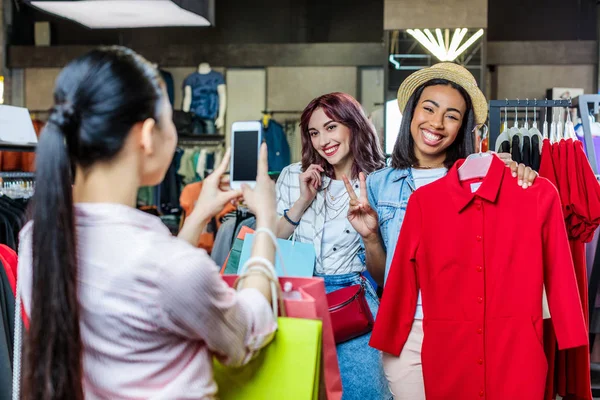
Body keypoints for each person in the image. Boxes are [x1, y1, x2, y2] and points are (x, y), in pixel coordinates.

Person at [17, 46, 279, 399]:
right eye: (171, 119)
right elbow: (244, 334)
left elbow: (146, 283)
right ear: (146, 135)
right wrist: (265, 219)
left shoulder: (37, 239)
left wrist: (199, 213)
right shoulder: (172, 267)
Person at [344, 63, 538, 399]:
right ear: (412, 113)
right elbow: (384, 277)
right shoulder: (378, 185)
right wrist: (371, 235)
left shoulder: (484, 178)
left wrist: (522, 176)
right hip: (409, 331)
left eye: (451, 115)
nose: (436, 123)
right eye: (429, 109)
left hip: (471, 329)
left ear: (462, 126)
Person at [276, 92, 390, 399]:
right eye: (314, 132)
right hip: (297, 297)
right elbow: (271, 241)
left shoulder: (379, 181)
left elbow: (383, 274)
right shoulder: (292, 176)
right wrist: (303, 201)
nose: (322, 140)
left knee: (363, 392)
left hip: (351, 299)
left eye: (331, 127)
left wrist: (369, 235)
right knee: (298, 391)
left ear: (353, 126)